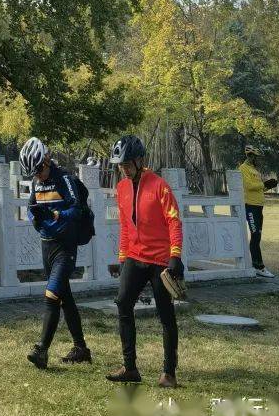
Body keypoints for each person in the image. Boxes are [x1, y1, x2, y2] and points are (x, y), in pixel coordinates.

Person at [106, 135, 183, 389]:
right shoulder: (122, 188)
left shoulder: (160, 186)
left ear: (140, 161)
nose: (124, 170)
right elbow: (125, 226)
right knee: (123, 303)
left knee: (165, 314)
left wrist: (175, 255)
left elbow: (174, 221)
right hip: (134, 257)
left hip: (161, 261)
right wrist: (121, 257)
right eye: (120, 166)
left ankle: (168, 372)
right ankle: (130, 367)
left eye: (127, 164)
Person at [20, 137, 92, 368]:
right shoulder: (36, 183)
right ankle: (81, 349)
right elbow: (31, 210)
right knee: (64, 299)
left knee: (51, 296)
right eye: (33, 173)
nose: (38, 176)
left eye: (39, 169)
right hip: (46, 245)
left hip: (64, 247)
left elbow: (78, 209)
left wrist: (56, 216)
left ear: (47, 160)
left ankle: (41, 351)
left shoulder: (64, 180)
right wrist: (35, 218)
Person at [239, 145, 279, 277]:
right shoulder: (243, 169)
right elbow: (249, 186)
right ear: (250, 156)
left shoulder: (254, 170)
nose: (259, 160)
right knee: (255, 235)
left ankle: (257, 265)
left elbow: (259, 189)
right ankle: (259, 267)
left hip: (258, 206)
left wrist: (268, 186)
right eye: (257, 157)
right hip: (250, 206)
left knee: (257, 236)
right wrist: (264, 184)